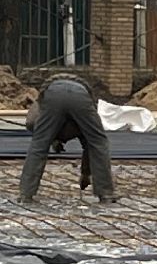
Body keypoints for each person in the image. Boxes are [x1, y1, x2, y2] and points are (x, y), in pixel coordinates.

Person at [18, 73, 116, 204]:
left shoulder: (43, 102)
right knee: (99, 141)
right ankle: (106, 194)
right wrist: (86, 174)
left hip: (53, 92)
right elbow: (92, 145)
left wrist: (46, 137)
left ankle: (26, 194)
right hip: (80, 95)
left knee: (38, 146)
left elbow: (31, 123)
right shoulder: (84, 118)